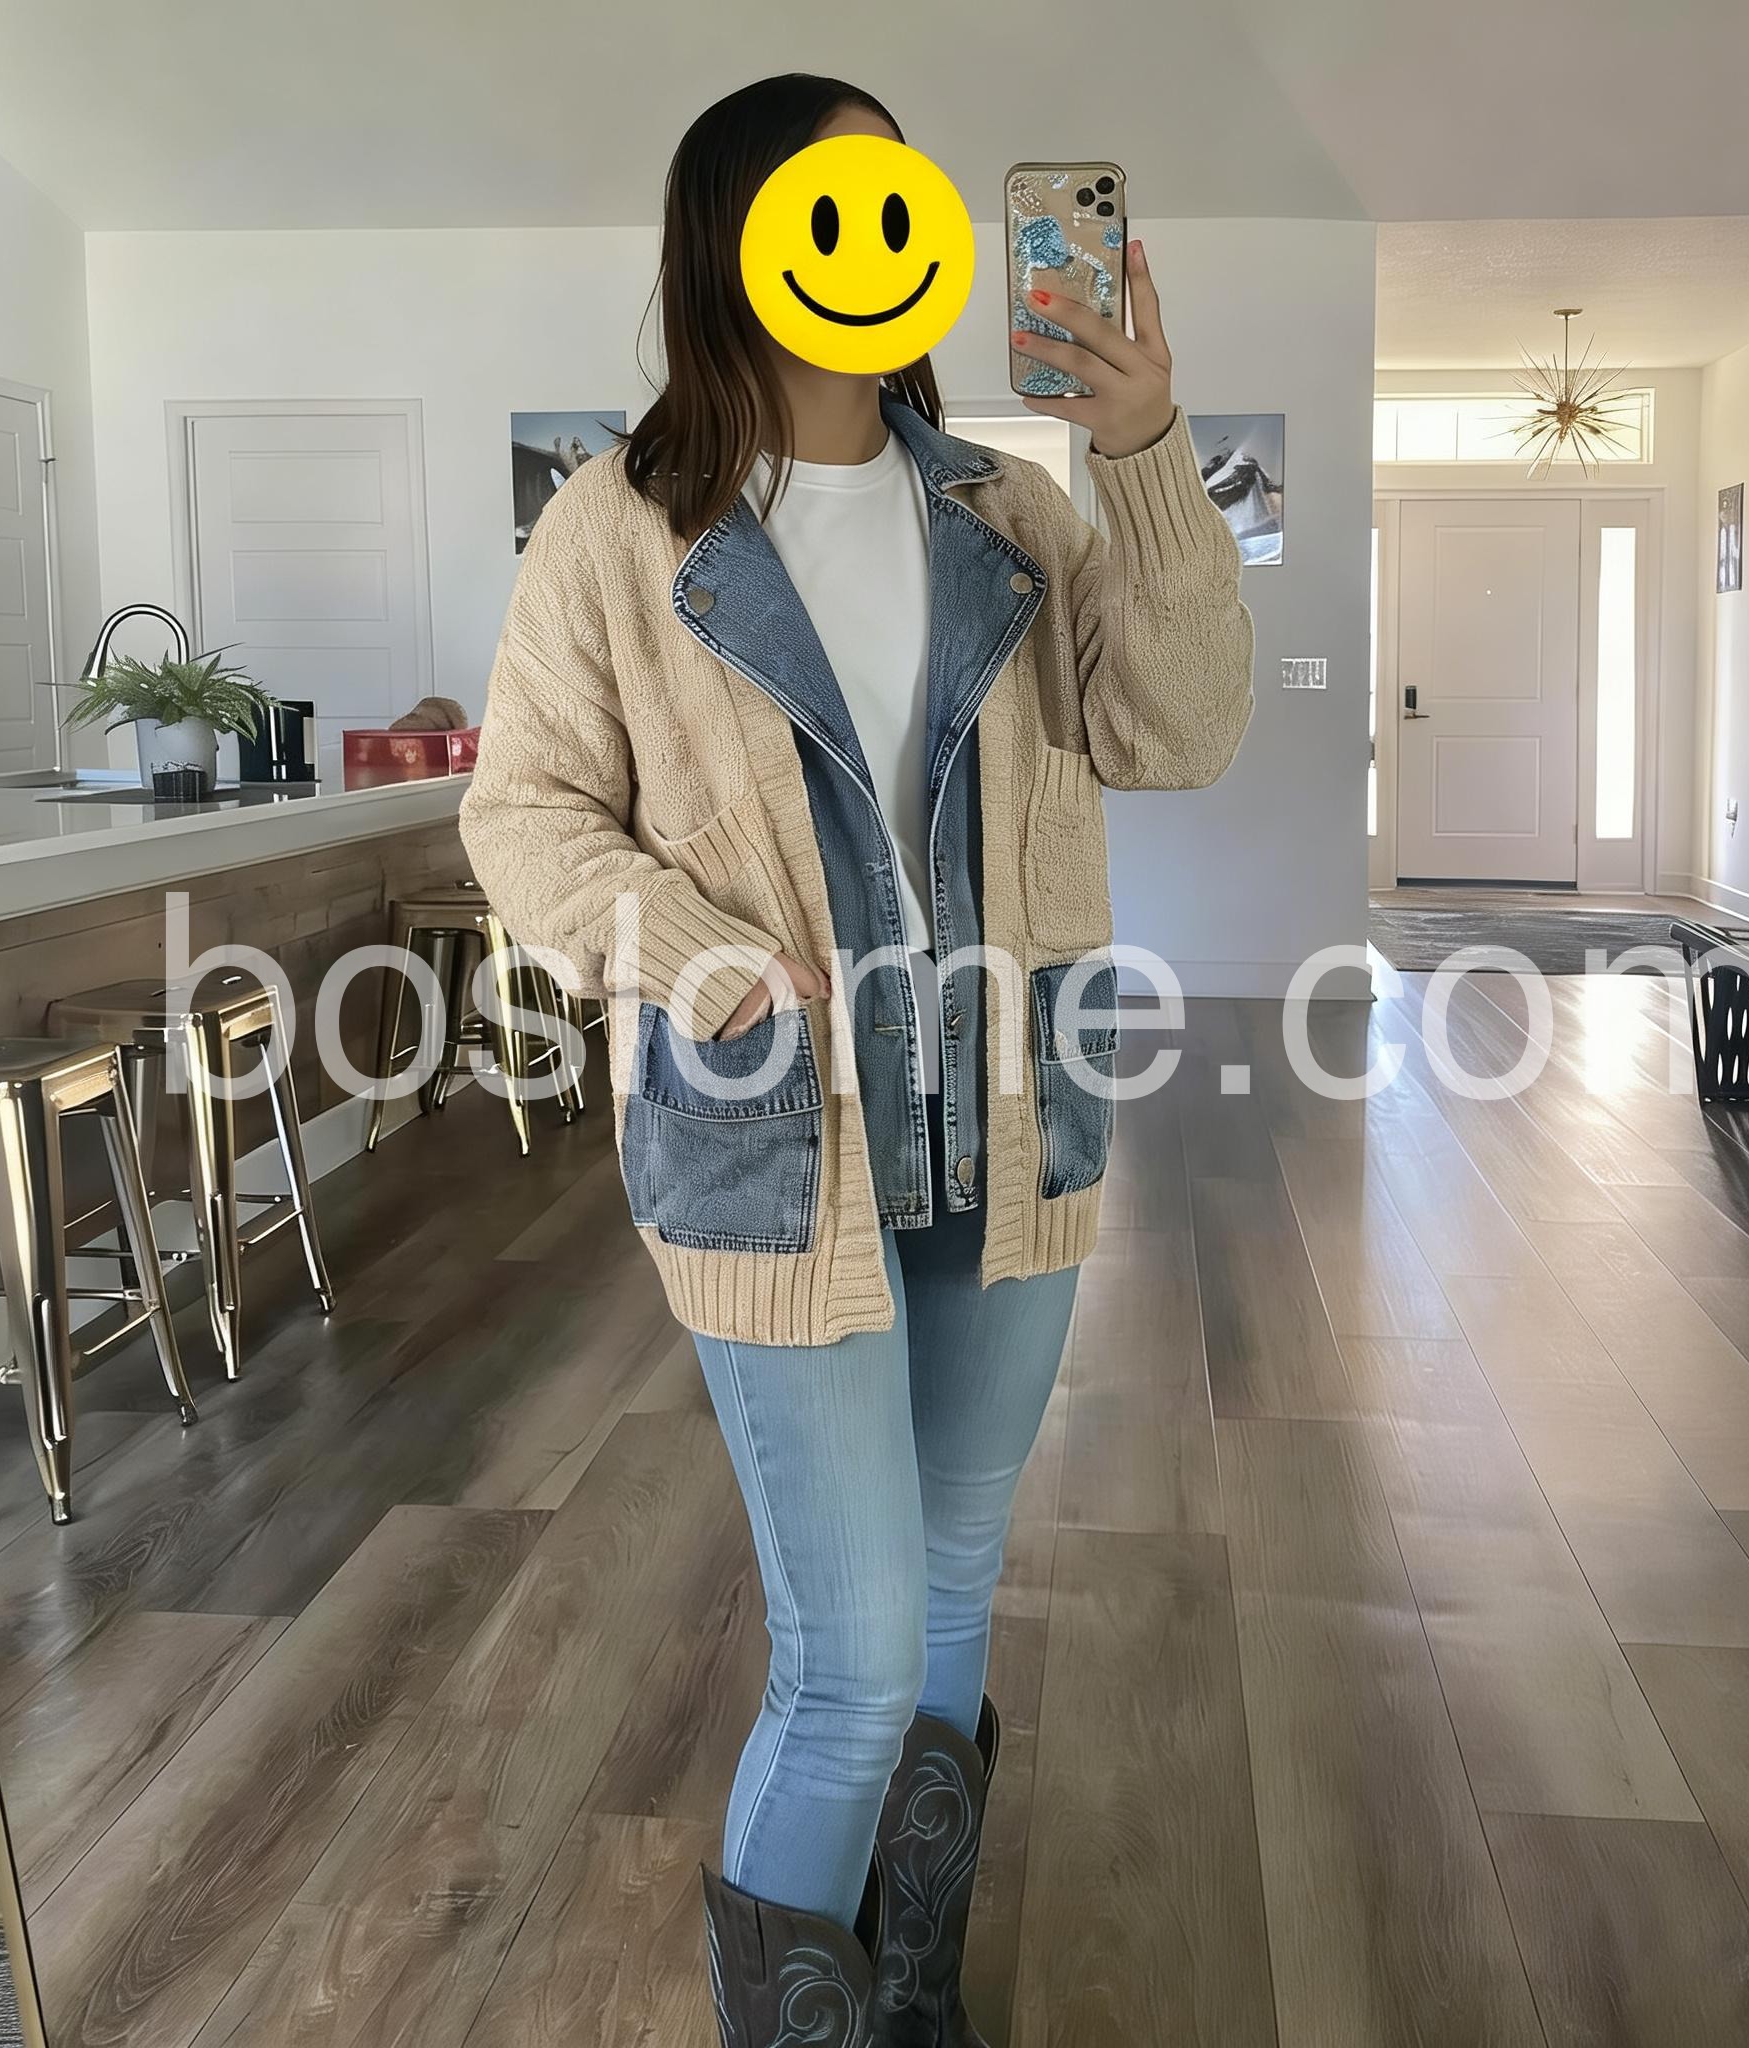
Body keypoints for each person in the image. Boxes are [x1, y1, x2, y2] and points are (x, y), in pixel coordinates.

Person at [460, 72, 1252, 2048]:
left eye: (898, 200)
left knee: (957, 1588)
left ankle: (909, 2006)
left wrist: (1144, 448)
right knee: (854, 1657)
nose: (876, 232)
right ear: (730, 240)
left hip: (1009, 1124)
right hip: (768, 1140)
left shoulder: (1012, 511)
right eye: (829, 202)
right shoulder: (618, 530)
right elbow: (523, 816)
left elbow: (1177, 731)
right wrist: (679, 948)